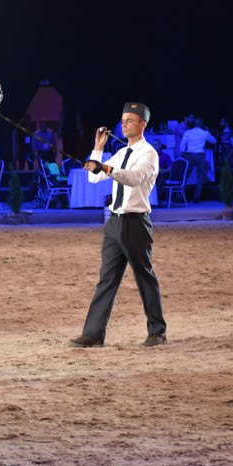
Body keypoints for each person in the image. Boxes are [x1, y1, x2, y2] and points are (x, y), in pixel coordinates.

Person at [69, 102, 167, 349]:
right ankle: (93, 334)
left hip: (136, 224)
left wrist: (106, 167)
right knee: (107, 280)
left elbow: (133, 178)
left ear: (142, 124)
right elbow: (93, 177)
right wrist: (98, 150)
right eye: (122, 120)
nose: (123, 124)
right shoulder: (121, 153)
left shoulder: (149, 154)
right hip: (114, 223)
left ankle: (158, 331)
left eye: (129, 120)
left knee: (145, 277)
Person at [180, 117, 216, 203]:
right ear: (202, 124)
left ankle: (179, 196)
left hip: (189, 155)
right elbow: (214, 141)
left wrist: (184, 155)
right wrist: (208, 131)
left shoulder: (187, 132)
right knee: (200, 177)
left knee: (185, 176)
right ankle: (196, 198)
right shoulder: (204, 133)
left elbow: (182, 146)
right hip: (200, 155)